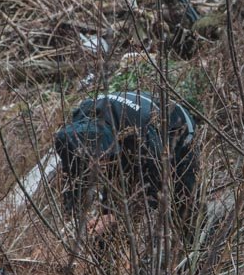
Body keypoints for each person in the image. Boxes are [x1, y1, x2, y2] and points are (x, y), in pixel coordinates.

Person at [54, 90, 199, 234]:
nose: (96, 166)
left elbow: (154, 190)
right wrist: (71, 214)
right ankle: (106, 250)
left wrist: (118, 216)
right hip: (123, 132)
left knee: (184, 205)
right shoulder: (78, 123)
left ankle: (196, 242)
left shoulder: (146, 140)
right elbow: (73, 175)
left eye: (99, 160)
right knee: (109, 215)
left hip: (177, 129)